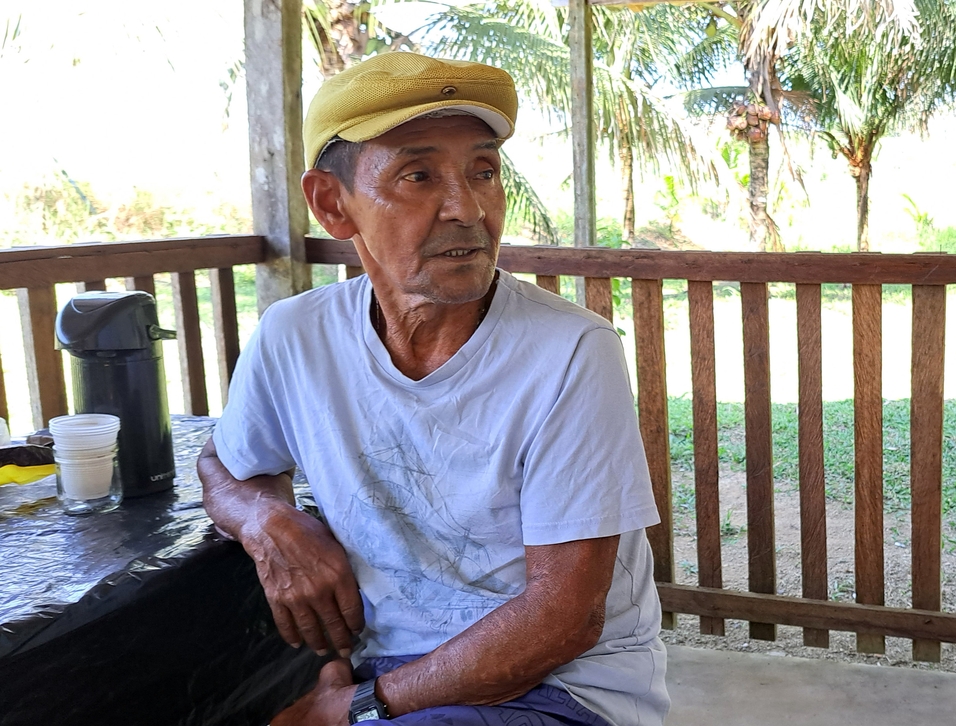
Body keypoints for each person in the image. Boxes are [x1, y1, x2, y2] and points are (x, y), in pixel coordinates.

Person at [199, 52, 669, 726]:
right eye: (419, 175)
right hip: (390, 667)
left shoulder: (569, 351)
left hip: (561, 690)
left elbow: (563, 620)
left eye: (484, 171)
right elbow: (223, 463)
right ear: (333, 204)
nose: (469, 207)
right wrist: (266, 520)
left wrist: (353, 709)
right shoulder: (295, 337)